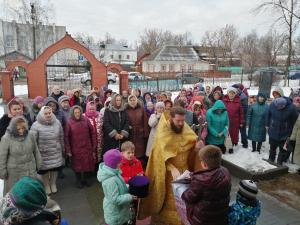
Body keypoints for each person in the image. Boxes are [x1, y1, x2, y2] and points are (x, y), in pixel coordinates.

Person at [138, 107, 201, 225]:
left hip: (186, 172)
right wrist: (171, 168)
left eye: (183, 120)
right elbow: (158, 157)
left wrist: (196, 148)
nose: (181, 123)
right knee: (169, 202)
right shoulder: (163, 131)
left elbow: (192, 144)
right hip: (168, 175)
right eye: (178, 121)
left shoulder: (184, 127)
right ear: (171, 118)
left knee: (185, 200)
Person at [182, 145, 231, 225]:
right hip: (220, 216)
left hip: (202, 219)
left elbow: (189, 197)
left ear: (204, 164)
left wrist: (182, 188)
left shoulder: (201, 180)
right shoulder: (225, 172)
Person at [0, 116, 42, 194]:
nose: (21, 131)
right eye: (18, 129)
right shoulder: (6, 138)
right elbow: (2, 157)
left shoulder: (30, 135)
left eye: (23, 128)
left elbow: (36, 150)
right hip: (14, 173)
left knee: (30, 193)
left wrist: (38, 163)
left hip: (30, 170)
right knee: (16, 195)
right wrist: (2, 172)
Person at [97, 149, 136, 225]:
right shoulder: (110, 180)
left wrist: (129, 187)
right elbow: (115, 199)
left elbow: (120, 186)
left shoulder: (114, 172)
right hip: (116, 213)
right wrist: (129, 197)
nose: (122, 162)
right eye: (120, 161)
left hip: (119, 211)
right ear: (115, 164)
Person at [31, 106, 64, 195]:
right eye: (45, 113)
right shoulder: (36, 125)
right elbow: (33, 141)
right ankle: (46, 185)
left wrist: (63, 148)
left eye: (49, 113)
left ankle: (53, 184)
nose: (48, 115)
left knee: (55, 168)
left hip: (55, 150)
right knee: (44, 170)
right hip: (43, 152)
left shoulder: (57, 122)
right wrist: (34, 153)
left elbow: (61, 136)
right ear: (41, 114)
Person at [65, 106, 97, 188]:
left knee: (87, 164)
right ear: (72, 113)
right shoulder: (69, 122)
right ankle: (78, 180)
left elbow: (92, 132)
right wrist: (68, 150)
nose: (77, 114)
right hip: (75, 148)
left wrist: (94, 144)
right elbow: (66, 137)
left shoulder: (85, 120)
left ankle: (86, 179)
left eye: (79, 112)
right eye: (75, 112)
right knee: (77, 165)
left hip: (87, 146)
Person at [266, 97, 298, 164]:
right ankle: (271, 159)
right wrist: (268, 124)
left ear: (285, 105)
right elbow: (268, 115)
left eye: (281, 107)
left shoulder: (292, 108)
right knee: (272, 147)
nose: (279, 108)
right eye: (278, 107)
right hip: (273, 130)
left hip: (285, 132)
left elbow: (295, 120)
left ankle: (279, 161)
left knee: (283, 149)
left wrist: (290, 131)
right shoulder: (272, 105)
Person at [126, 95, 149, 165]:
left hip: (140, 132)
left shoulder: (141, 109)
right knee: (131, 148)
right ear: (128, 101)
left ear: (136, 100)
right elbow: (125, 121)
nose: (132, 102)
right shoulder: (126, 110)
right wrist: (128, 127)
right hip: (131, 133)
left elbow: (145, 121)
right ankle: (132, 163)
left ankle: (140, 165)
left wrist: (146, 132)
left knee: (141, 149)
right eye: (131, 100)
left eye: (134, 100)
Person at [223, 87, 244, 153]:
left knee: (233, 135)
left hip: (235, 122)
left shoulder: (238, 102)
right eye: (230, 93)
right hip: (226, 121)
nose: (231, 95)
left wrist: (241, 122)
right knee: (226, 134)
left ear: (235, 94)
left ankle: (230, 148)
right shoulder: (224, 101)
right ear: (228, 93)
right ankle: (224, 147)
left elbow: (241, 113)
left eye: (233, 93)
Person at [233, 84, 249, 148]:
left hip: (241, 117)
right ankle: (235, 142)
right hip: (236, 116)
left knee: (242, 130)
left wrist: (242, 119)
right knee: (235, 130)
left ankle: (245, 143)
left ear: (237, 89)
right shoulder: (236, 95)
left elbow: (245, 109)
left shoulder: (243, 97)